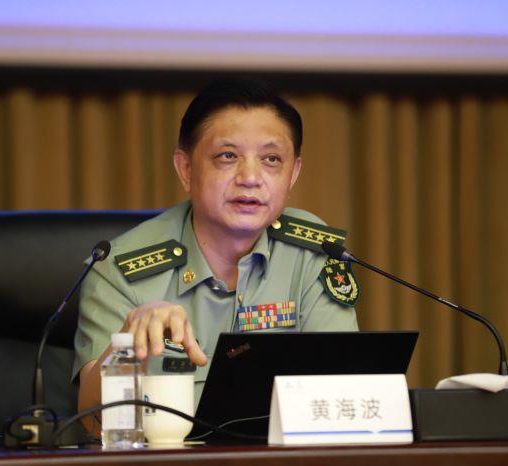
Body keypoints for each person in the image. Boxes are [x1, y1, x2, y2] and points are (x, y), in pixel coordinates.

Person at [73, 77, 359, 420]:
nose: (250, 177)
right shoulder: (119, 267)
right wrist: (128, 346)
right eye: (228, 156)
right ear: (186, 169)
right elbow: (91, 418)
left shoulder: (314, 252)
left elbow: (343, 385)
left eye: (271, 159)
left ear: (293, 173)